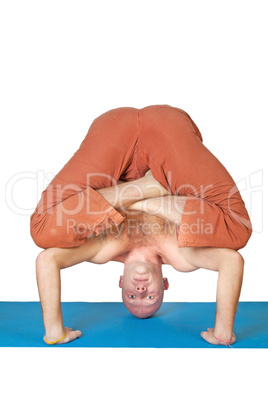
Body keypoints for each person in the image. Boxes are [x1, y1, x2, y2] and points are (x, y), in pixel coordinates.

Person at [30, 105, 252, 346]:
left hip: (113, 132)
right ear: (165, 284)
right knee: (237, 230)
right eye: (150, 297)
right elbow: (232, 260)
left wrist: (55, 332)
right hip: (166, 130)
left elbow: (47, 259)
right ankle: (149, 189)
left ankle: (148, 188)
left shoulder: (102, 249)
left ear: (121, 283)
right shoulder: (182, 256)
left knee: (42, 230)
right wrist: (222, 332)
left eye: (132, 295)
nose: (141, 290)